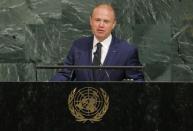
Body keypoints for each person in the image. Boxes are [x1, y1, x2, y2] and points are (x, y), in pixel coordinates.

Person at [51, 3, 144, 81]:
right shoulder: (78, 46)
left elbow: (137, 81)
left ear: (113, 24)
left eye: (106, 21)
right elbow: (65, 75)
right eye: (97, 20)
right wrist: (47, 86)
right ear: (91, 21)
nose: (101, 25)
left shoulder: (127, 51)